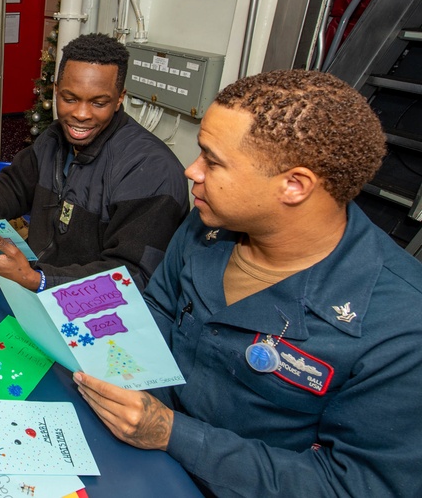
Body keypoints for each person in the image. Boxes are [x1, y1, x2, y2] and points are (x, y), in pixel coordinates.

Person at [75, 69, 422, 497]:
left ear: (294, 185)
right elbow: (159, 310)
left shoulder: (403, 326)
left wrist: (172, 433)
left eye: (212, 161)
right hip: (143, 457)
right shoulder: (207, 224)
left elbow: (355, 486)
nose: (191, 171)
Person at [0, 33, 188, 292]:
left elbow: (133, 276)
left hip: (93, 313)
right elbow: (16, 184)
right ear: (56, 90)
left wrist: (37, 279)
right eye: (69, 99)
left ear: (120, 98)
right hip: (34, 284)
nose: (80, 114)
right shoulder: (56, 136)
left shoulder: (153, 171)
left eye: (98, 103)